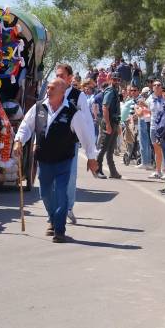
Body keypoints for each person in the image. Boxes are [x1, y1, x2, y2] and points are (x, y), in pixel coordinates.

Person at [13, 77, 99, 243]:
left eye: (52, 88)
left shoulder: (73, 112)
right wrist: (19, 141)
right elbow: (26, 126)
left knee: (61, 193)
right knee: (44, 193)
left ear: (62, 92)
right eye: (49, 87)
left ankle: (59, 230)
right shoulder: (39, 108)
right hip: (44, 160)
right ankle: (52, 219)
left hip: (63, 161)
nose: (48, 90)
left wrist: (91, 158)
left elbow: (86, 136)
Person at [55, 63, 90, 224]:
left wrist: (91, 152)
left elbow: (87, 122)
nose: (58, 79)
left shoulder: (78, 96)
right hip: (51, 145)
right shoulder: (50, 92)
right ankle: (56, 209)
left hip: (70, 144)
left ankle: (67, 208)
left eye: (61, 76)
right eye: (57, 75)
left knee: (70, 176)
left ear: (70, 78)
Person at [94, 71, 122, 179]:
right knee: (103, 148)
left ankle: (113, 171)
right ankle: (97, 169)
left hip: (114, 122)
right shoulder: (110, 91)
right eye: (114, 79)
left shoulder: (115, 90)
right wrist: (108, 125)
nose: (116, 81)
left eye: (118, 79)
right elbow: (105, 107)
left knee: (110, 149)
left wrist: (115, 125)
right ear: (110, 80)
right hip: (109, 122)